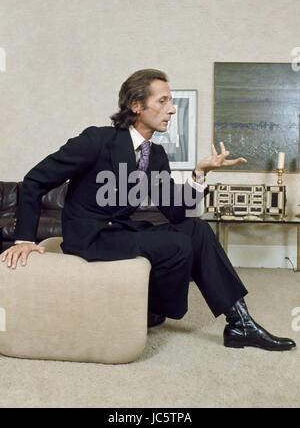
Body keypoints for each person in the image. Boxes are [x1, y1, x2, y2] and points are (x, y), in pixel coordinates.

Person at [1, 69, 296, 351]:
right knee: (177, 244)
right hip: (89, 237)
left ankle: (240, 323)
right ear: (137, 105)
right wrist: (24, 240)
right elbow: (35, 181)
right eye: (163, 100)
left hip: (120, 231)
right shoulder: (97, 140)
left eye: (171, 101)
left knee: (195, 229)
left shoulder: (155, 154)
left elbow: (176, 213)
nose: (172, 109)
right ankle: (155, 308)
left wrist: (199, 175)